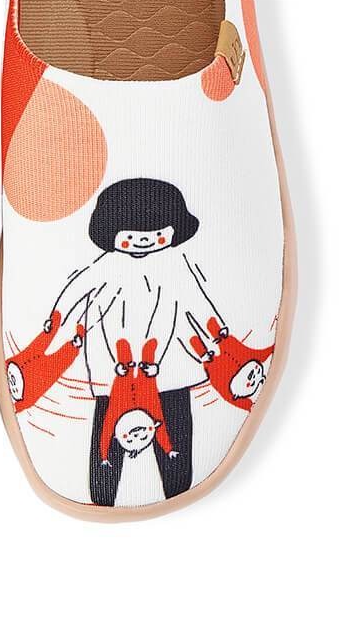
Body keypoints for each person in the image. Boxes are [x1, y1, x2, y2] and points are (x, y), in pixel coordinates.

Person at [47, 178, 226, 505]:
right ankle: (103, 490)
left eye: (156, 235)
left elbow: (198, 302)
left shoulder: (175, 266)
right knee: (109, 423)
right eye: (131, 236)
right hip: (114, 368)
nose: (144, 241)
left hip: (168, 369)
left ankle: (174, 480)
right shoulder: (106, 267)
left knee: (173, 419)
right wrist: (56, 319)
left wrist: (216, 331)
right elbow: (76, 290)